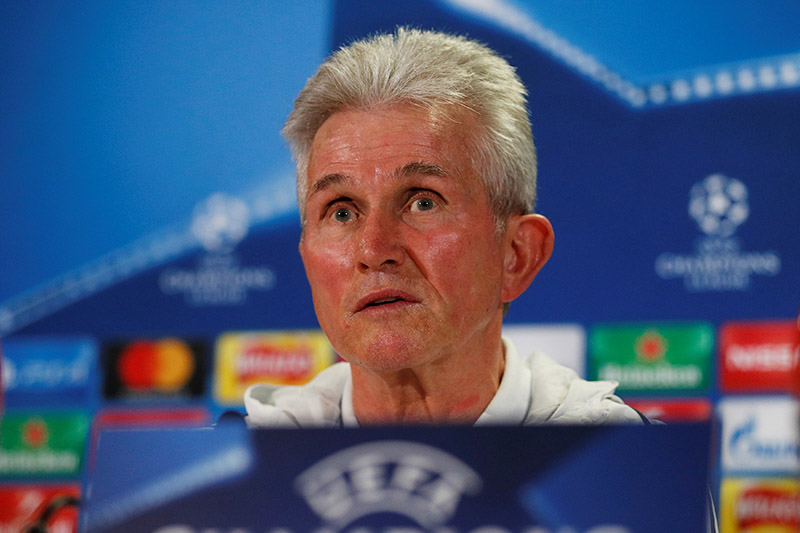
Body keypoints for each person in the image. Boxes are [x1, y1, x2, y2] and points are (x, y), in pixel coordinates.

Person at [244, 27, 643, 428]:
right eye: (341, 212)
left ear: (517, 255)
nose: (373, 249)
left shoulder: (625, 470)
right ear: (307, 258)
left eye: (423, 202)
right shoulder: (228, 474)